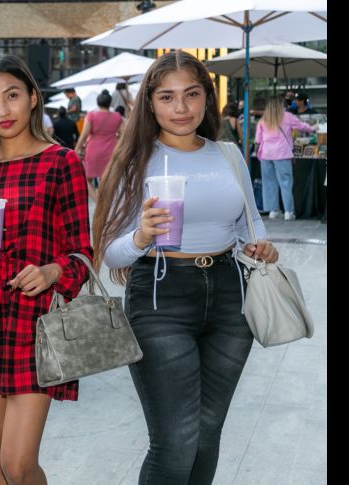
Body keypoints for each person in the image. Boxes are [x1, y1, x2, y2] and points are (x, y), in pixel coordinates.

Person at [92, 50, 280, 484]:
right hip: (161, 296)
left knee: (207, 434)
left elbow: (251, 224)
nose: (180, 108)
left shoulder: (228, 154)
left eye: (191, 94)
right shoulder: (136, 160)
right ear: (150, 104)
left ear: (206, 98)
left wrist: (263, 247)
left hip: (231, 296)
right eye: (167, 97)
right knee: (175, 441)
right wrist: (141, 236)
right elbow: (112, 256)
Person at [0, 54, 92, 485]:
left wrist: (52, 272)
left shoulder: (61, 162)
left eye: (12, 96)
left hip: (35, 324)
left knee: (18, 461)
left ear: (32, 98)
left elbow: (82, 253)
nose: (3, 111)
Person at [256, 95, 316, 221]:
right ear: (281, 105)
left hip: (266, 155)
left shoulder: (263, 120)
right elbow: (302, 126)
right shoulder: (287, 116)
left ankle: (273, 211)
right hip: (282, 154)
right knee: (286, 183)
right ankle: (288, 212)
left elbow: (258, 140)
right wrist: (313, 128)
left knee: (269, 184)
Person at [74, 89, 124, 201]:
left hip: (93, 151)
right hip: (111, 150)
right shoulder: (117, 116)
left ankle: (98, 201)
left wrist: (76, 149)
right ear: (110, 103)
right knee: (105, 179)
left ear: (98, 103)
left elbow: (84, 134)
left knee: (86, 179)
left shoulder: (91, 116)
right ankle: (104, 202)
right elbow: (124, 135)